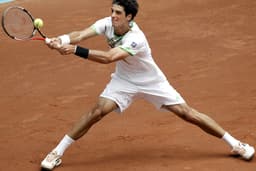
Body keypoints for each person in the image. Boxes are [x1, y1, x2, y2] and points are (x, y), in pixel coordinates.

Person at [41, 0, 255, 170]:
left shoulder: (136, 38)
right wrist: (61, 40)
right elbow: (80, 34)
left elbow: (109, 57)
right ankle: (57, 152)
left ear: (129, 17)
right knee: (97, 112)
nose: (113, 16)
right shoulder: (106, 23)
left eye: (118, 13)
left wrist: (75, 50)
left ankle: (235, 144)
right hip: (124, 80)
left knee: (187, 113)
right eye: (112, 11)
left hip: (151, 81)